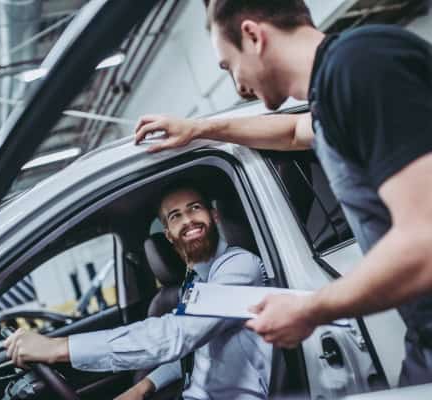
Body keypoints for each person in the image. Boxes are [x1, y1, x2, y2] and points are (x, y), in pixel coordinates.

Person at [134, 0, 432, 386]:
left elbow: (424, 244)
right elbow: (292, 132)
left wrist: (309, 311)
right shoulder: (334, 90)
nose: (238, 85)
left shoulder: (363, 65)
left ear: (253, 36)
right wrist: (198, 129)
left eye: (228, 66)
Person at [4, 182, 273, 399]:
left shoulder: (239, 267)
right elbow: (190, 352)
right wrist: (143, 387)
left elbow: (177, 335)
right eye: (175, 216)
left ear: (213, 216)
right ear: (168, 233)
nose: (188, 220)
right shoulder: (194, 281)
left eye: (195, 208)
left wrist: (58, 347)